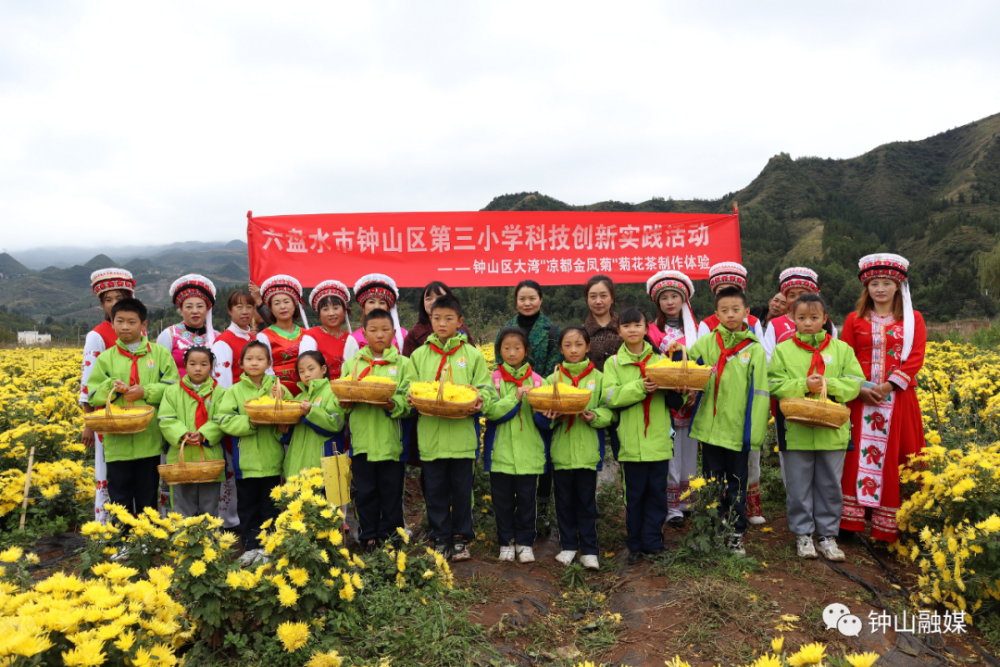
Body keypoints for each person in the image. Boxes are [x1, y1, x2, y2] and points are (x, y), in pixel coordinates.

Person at [768, 294, 864, 560]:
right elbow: (774, 384)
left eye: (813, 318)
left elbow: (855, 382)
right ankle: (803, 534)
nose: (808, 323)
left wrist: (828, 385)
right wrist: (804, 386)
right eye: (801, 318)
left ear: (824, 318)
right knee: (798, 486)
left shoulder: (842, 349)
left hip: (832, 431)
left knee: (830, 485)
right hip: (796, 431)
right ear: (793, 319)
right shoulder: (782, 350)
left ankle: (827, 536)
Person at [839, 254, 927, 543]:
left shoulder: (913, 320)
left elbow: (915, 357)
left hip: (898, 398)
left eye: (886, 283)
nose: (880, 289)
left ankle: (893, 524)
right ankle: (850, 523)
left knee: (897, 455)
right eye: (874, 283)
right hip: (860, 398)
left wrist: (890, 385)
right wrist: (859, 388)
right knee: (855, 456)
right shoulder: (854, 320)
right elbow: (845, 357)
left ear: (898, 286)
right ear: (867, 288)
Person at [408, 294, 494, 562]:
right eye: (437, 318)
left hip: (462, 438)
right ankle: (440, 537)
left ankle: (461, 539)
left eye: (448, 318)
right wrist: (410, 399)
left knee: (461, 490)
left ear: (460, 321)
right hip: (431, 437)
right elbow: (408, 388)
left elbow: (486, 388)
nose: (442, 323)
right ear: (429, 320)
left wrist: (481, 402)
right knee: (434, 491)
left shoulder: (471, 354)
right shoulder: (420, 355)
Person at [87, 298, 178, 539]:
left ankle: (148, 538)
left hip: (149, 438)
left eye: (131, 322)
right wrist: (111, 386)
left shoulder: (159, 354)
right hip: (118, 442)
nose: (125, 326)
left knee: (148, 492)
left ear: (143, 324)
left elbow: (173, 388)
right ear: (112, 323)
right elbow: (94, 394)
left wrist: (145, 392)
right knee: (120, 493)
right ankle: (124, 540)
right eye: (120, 321)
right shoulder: (106, 358)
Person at [688, 287, 769, 555]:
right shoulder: (707, 343)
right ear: (716, 314)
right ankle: (712, 527)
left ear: (747, 313)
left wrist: (754, 434)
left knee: (736, 483)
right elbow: (686, 365)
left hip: (738, 432)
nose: (730, 314)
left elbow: (760, 394)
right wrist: (677, 355)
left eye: (736, 309)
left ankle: (735, 532)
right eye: (724, 310)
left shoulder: (754, 349)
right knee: (712, 481)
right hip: (710, 430)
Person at [604, 307, 682, 564]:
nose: (632, 330)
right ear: (619, 331)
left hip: (659, 439)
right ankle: (635, 542)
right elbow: (610, 398)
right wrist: (640, 386)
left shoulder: (661, 360)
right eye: (626, 326)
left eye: (637, 325)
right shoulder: (613, 363)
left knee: (657, 492)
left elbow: (674, 402)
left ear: (646, 327)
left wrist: (677, 388)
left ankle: (653, 541)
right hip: (629, 442)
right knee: (634, 494)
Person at [338, 308, 415, 550]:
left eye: (384, 330)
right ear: (364, 333)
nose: (379, 335)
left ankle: (391, 536)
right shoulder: (353, 363)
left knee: (392, 492)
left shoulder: (403, 364)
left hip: (392, 443)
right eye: (373, 330)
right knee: (365, 493)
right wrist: (345, 402)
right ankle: (368, 536)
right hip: (361, 443)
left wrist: (394, 404)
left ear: (393, 332)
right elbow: (342, 399)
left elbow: (409, 400)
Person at [541, 326, 615, 571]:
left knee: (586, 502)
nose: (573, 350)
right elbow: (542, 416)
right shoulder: (552, 379)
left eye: (579, 345)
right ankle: (568, 546)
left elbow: (610, 413)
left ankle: (590, 550)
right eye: (568, 345)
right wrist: (553, 418)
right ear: (560, 348)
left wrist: (594, 416)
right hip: (560, 453)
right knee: (563, 502)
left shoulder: (600, 378)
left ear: (588, 347)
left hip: (587, 452)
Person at [216, 340, 292, 566]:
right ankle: (250, 546)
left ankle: (269, 547)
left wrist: (281, 399)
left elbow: (288, 416)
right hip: (245, 462)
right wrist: (252, 422)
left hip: (272, 460)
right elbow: (224, 420)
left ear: (269, 363)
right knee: (247, 507)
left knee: (270, 507)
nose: (255, 363)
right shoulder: (235, 391)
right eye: (249, 359)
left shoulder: (278, 387)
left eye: (260, 359)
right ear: (241, 364)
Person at [494, 279, 562, 525]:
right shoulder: (505, 329)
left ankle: (541, 509)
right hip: (512, 395)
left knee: (542, 455)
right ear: (516, 302)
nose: (527, 303)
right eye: (522, 298)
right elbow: (498, 365)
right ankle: (513, 511)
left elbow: (555, 366)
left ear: (541, 299)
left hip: (540, 397)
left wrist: (537, 391)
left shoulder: (553, 330)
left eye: (532, 298)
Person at [483, 327, 548, 564]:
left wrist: (546, 412)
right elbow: (491, 412)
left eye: (517, 348)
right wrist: (516, 397)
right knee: (502, 502)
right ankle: (506, 542)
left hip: (529, 454)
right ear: (499, 351)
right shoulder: (492, 380)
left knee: (527, 502)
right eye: (506, 348)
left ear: (526, 351)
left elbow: (543, 421)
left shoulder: (540, 380)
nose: (512, 353)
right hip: (500, 454)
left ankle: (525, 543)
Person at [80, 268, 136, 524]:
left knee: (136, 472)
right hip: (108, 417)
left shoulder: (138, 331)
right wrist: (89, 423)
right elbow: (88, 384)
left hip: (137, 414)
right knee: (110, 472)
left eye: (119, 297)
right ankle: (107, 525)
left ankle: (137, 522)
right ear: (102, 304)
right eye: (108, 299)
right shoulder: (97, 335)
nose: (114, 304)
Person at [645, 270, 700, 527]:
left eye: (674, 297)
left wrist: (695, 389)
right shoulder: (652, 332)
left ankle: (688, 501)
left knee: (690, 450)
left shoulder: (698, 331)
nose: (670, 302)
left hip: (692, 399)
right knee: (669, 453)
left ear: (683, 300)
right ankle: (672, 508)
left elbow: (704, 362)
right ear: (657, 303)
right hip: (665, 399)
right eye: (664, 298)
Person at [158, 346, 226, 518]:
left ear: (211, 367)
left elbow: (223, 418)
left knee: (209, 507)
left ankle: (209, 542)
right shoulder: (172, 392)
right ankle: (184, 542)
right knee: (182, 506)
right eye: (192, 363)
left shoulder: (220, 393)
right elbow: (165, 419)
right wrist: (182, 434)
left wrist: (204, 434)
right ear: (185, 366)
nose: (198, 368)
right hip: (181, 458)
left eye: (204, 364)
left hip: (210, 458)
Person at [211, 288, 258, 529]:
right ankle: (231, 521)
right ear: (229, 310)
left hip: (255, 411)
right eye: (238, 306)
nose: (244, 311)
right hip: (238, 413)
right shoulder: (224, 342)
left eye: (249, 306)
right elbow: (224, 385)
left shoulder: (252, 339)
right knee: (234, 466)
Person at [280, 351, 346, 478]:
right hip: (297, 469)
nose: (307, 374)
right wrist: (285, 432)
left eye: (311, 369)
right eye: (302, 371)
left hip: (324, 469)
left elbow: (336, 424)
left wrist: (311, 412)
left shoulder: (333, 391)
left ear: (323, 369)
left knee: (328, 498)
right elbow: (293, 437)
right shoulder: (299, 397)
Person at [256, 274, 311, 396]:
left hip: (306, 393)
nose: (282, 307)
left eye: (286, 301)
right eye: (276, 303)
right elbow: (264, 368)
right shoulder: (264, 336)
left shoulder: (307, 334)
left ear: (294, 304)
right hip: (278, 393)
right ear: (270, 308)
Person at [157, 275, 220, 376]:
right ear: (181, 309)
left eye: (200, 306)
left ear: (207, 309)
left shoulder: (218, 337)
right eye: (189, 306)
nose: (195, 311)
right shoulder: (169, 335)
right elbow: (158, 370)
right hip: (176, 390)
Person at [301, 280, 359, 380]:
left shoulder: (350, 338)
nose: (331, 313)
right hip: (322, 390)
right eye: (325, 309)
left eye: (336, 308)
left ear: (344, 310)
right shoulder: (311, 336)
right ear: (319, 313)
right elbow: (306, 368)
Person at [402, 281, 472, 357]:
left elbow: (472, 358)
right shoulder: (414, 334)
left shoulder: (462, 329)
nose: (434, 302)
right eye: (428, 299)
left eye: (440, 298)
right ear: (423, 303)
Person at [695, 262, 764, 339]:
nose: (726, 295)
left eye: (732, 291)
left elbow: (761, 349)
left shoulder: (753, 322)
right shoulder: (706, 324)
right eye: (721, 291)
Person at [351, 274, 407, 351]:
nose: (376, 307)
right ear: (363, 307)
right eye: (371, 302)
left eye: (382, 303)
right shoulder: (354, 338)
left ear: (388, 308)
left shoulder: (403, 335)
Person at [581, 275, 621, 372]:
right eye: (593, 296)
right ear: (587, 299)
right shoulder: (580, 332)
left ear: (612, 298)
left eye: (603, 296)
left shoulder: (625, 329)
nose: (598, 301)